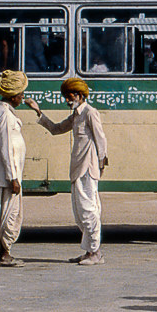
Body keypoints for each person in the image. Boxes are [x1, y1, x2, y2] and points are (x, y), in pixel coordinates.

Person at [28, 77, 109, 266]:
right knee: (80, 213)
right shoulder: (75, 116)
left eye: (70, 96)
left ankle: (96, 253)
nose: (67, 100)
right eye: (66, 96)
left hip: (87, 169)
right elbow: (56, 129)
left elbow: (101, 139)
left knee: (89, 211)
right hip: (76, 169)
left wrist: (101, 164)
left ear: (80, 95)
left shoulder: (90, 113)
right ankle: (90, 251)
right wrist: (38, 111)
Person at [0, 70, 31, 267]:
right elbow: (7, 147)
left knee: (1, 215)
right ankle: (4, 254)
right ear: (13, 96)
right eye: (20, 95)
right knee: (8, 216)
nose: (22, 98)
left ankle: (5, 252)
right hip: (4, 176)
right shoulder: (6, 116)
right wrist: (13, 178)